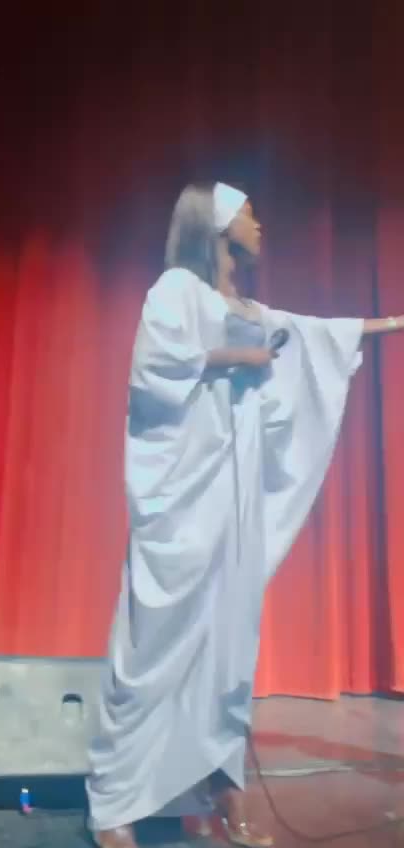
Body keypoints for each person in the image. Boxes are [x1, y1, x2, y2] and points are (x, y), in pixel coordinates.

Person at [86, 183, 404, 848]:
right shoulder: (176, 291)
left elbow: (315, 335)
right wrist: (241, 358)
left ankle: (221, 782)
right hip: (183, 503)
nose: (260, 225)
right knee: (156, 648)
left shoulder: (251, 309)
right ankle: (114, 802)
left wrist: (393, 325)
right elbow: (154, 369)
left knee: (228, 647)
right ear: (218, 224)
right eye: (249, 215)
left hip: (232, 506)